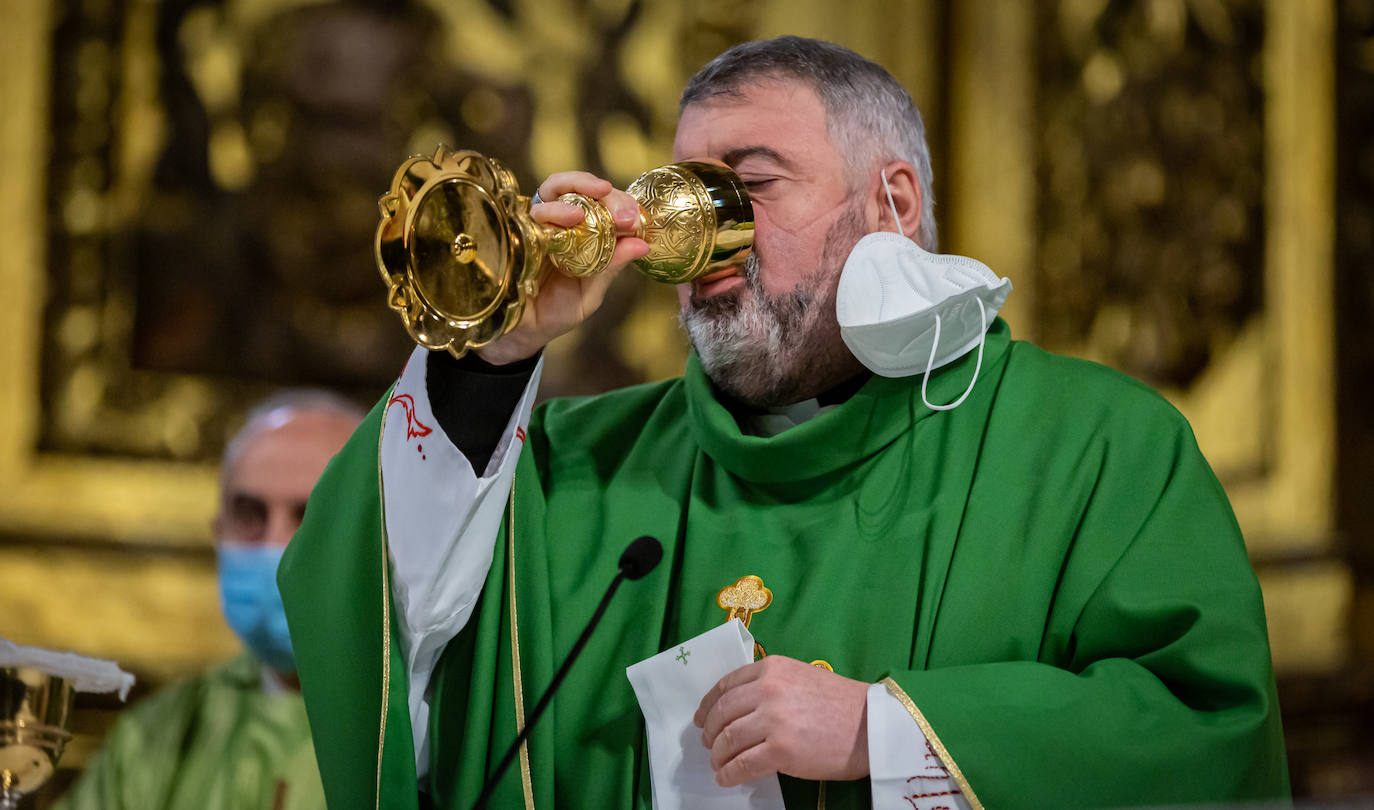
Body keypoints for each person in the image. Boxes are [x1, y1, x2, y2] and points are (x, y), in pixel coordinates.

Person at [278, 37, 1289, 810]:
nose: (695, 240)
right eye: (675, 195)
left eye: (747, 188)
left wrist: (886, 734)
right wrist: (493, 355)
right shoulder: (573, 474)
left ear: (892, 201)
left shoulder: (1097, 449)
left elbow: (1206, 734)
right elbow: (367, 608)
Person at [57, 391, 363, 810]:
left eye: (311, 515)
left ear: (376, 535)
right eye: (250, 514)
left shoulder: (429, 730)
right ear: (218, 531)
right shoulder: (157, 735)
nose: (276, 547)